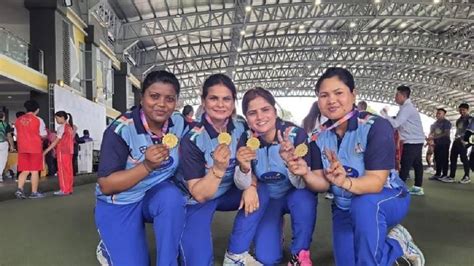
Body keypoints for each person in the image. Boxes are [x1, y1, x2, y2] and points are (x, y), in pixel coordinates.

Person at [288, 67, 424, 265]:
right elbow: (323, 184)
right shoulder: (318, 137)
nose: (331, 100)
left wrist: (345, 181)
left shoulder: (375, 126)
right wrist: (305, 174)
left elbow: (376, 183)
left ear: (353, 94)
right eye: (324, 95)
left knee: (365, 205)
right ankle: (397, 243)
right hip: (344, 208)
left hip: (386, 198)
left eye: (338, 93)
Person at [94, 70, 188, 265]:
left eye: (169, 99)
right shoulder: (121, 129)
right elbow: (106, 185)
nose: (161, 104)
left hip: (154, 195)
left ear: (176, 102)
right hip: (120, 201)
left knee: (172, 198)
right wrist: (146, 166)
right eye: (154, 96)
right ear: (141, 98)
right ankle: (108, 246)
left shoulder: (178, 122)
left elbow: (201, 134)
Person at [178, 74, 270, 265]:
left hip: (231, 191)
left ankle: (235, 255)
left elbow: (250, 163)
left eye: (226, 99)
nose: (220, 104)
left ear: (233, 102)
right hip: (199, 198)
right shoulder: (192, 138)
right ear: (203, 101)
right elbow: (199, 194)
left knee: (262, 190)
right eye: (213, 98)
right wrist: (218, 169)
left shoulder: (242, 126)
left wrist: (250, 185)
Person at [235, 87, 327, 265]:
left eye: (265, 110)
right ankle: (276, 233)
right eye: (252, 113)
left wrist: (291, 164)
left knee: (304, 197)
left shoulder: (295, 134)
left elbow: (302, 184)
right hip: (269, 197)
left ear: (275, 112)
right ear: (247, 118)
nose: (260, 117)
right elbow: (242, 182)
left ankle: (300, 253)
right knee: (267, 258)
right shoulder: (246, 139)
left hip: (295, 193)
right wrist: (246, 172)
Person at [381, 85, 426, 196]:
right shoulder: (406, 108)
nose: (395, 97)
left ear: (403, 95)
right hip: (415, 140)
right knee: (417, 164)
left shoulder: (407, 108)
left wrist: (385, 115)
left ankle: (399, 189)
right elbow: (397, 124)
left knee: (405, 164)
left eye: (397, 95)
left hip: (413, 141)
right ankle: (417, 187)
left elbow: (396, 124)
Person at [14, 100, 47, 199]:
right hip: (35, 147)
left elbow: (16, 134)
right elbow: (43, 134)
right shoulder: (38, 120)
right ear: (37, 110)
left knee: (24, 169)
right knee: (34, 170)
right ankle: (34, 192)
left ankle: (20, 189)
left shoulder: (18, 120)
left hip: (22, 148)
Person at [43, 111, 75, 196]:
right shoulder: (70, 127)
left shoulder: (62, 128)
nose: (56, 120)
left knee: (62, 171)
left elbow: (56, 142)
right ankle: (69, 188)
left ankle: (64, 189)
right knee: (68, 170)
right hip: (69, 151)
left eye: (57, 118)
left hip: (62, 151)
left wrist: (46, 151)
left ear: (62, 118)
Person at [443, 103, 471, 184]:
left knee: (464, 159)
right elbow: (458, 130)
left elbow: (471, 131)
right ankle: (451, 176)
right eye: (460, 110)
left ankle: (467, 176)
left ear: (467, 110)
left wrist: (466, 140)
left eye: (463, 110)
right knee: (453, 158)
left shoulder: (470, 119)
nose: (462, 111)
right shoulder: (459, 120)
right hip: (456, 141)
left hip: (463, 142)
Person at [427, 108, 451, 181]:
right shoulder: (435, 123)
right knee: (436, 158)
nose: (437, 114)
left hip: (444, 143)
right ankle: (437, 174)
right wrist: (430, 138)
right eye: (437, 113)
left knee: (444, 158)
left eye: (439, 113)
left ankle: (444, 174)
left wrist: (435, 137)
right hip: (436, 143)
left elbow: (446, 133)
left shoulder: (447, 122)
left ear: (444, 114)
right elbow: (431, 132)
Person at [0, 111, 15, 182]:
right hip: (3, 143)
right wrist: (12, 146)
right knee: (2, 160)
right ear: (3, 117)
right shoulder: (6, 124)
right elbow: (9, 136)